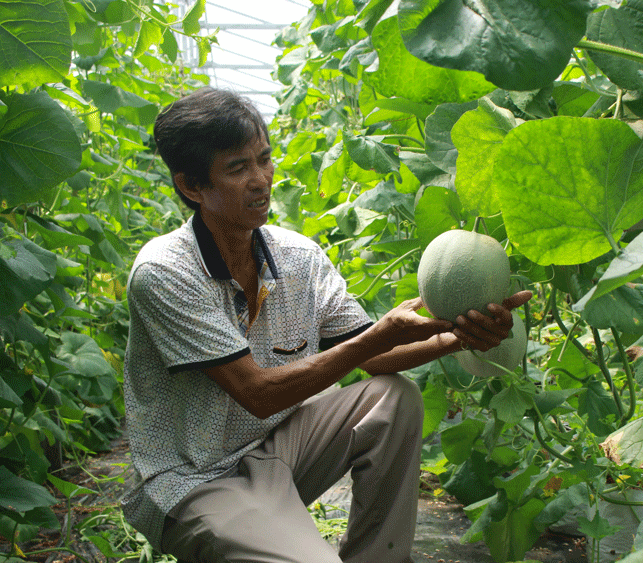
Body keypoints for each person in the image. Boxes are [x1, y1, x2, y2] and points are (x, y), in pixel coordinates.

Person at [120, 87, 531, 563]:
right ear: (192, 187)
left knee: (393, 397)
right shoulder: (166, 272)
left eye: (264, 159)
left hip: (279, 450)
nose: (260, 180)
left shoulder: (297, 256)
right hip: (197, 478)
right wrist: (379, 335)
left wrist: (456, 333)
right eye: (237, 169)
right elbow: (258, 394)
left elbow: (373, 355)